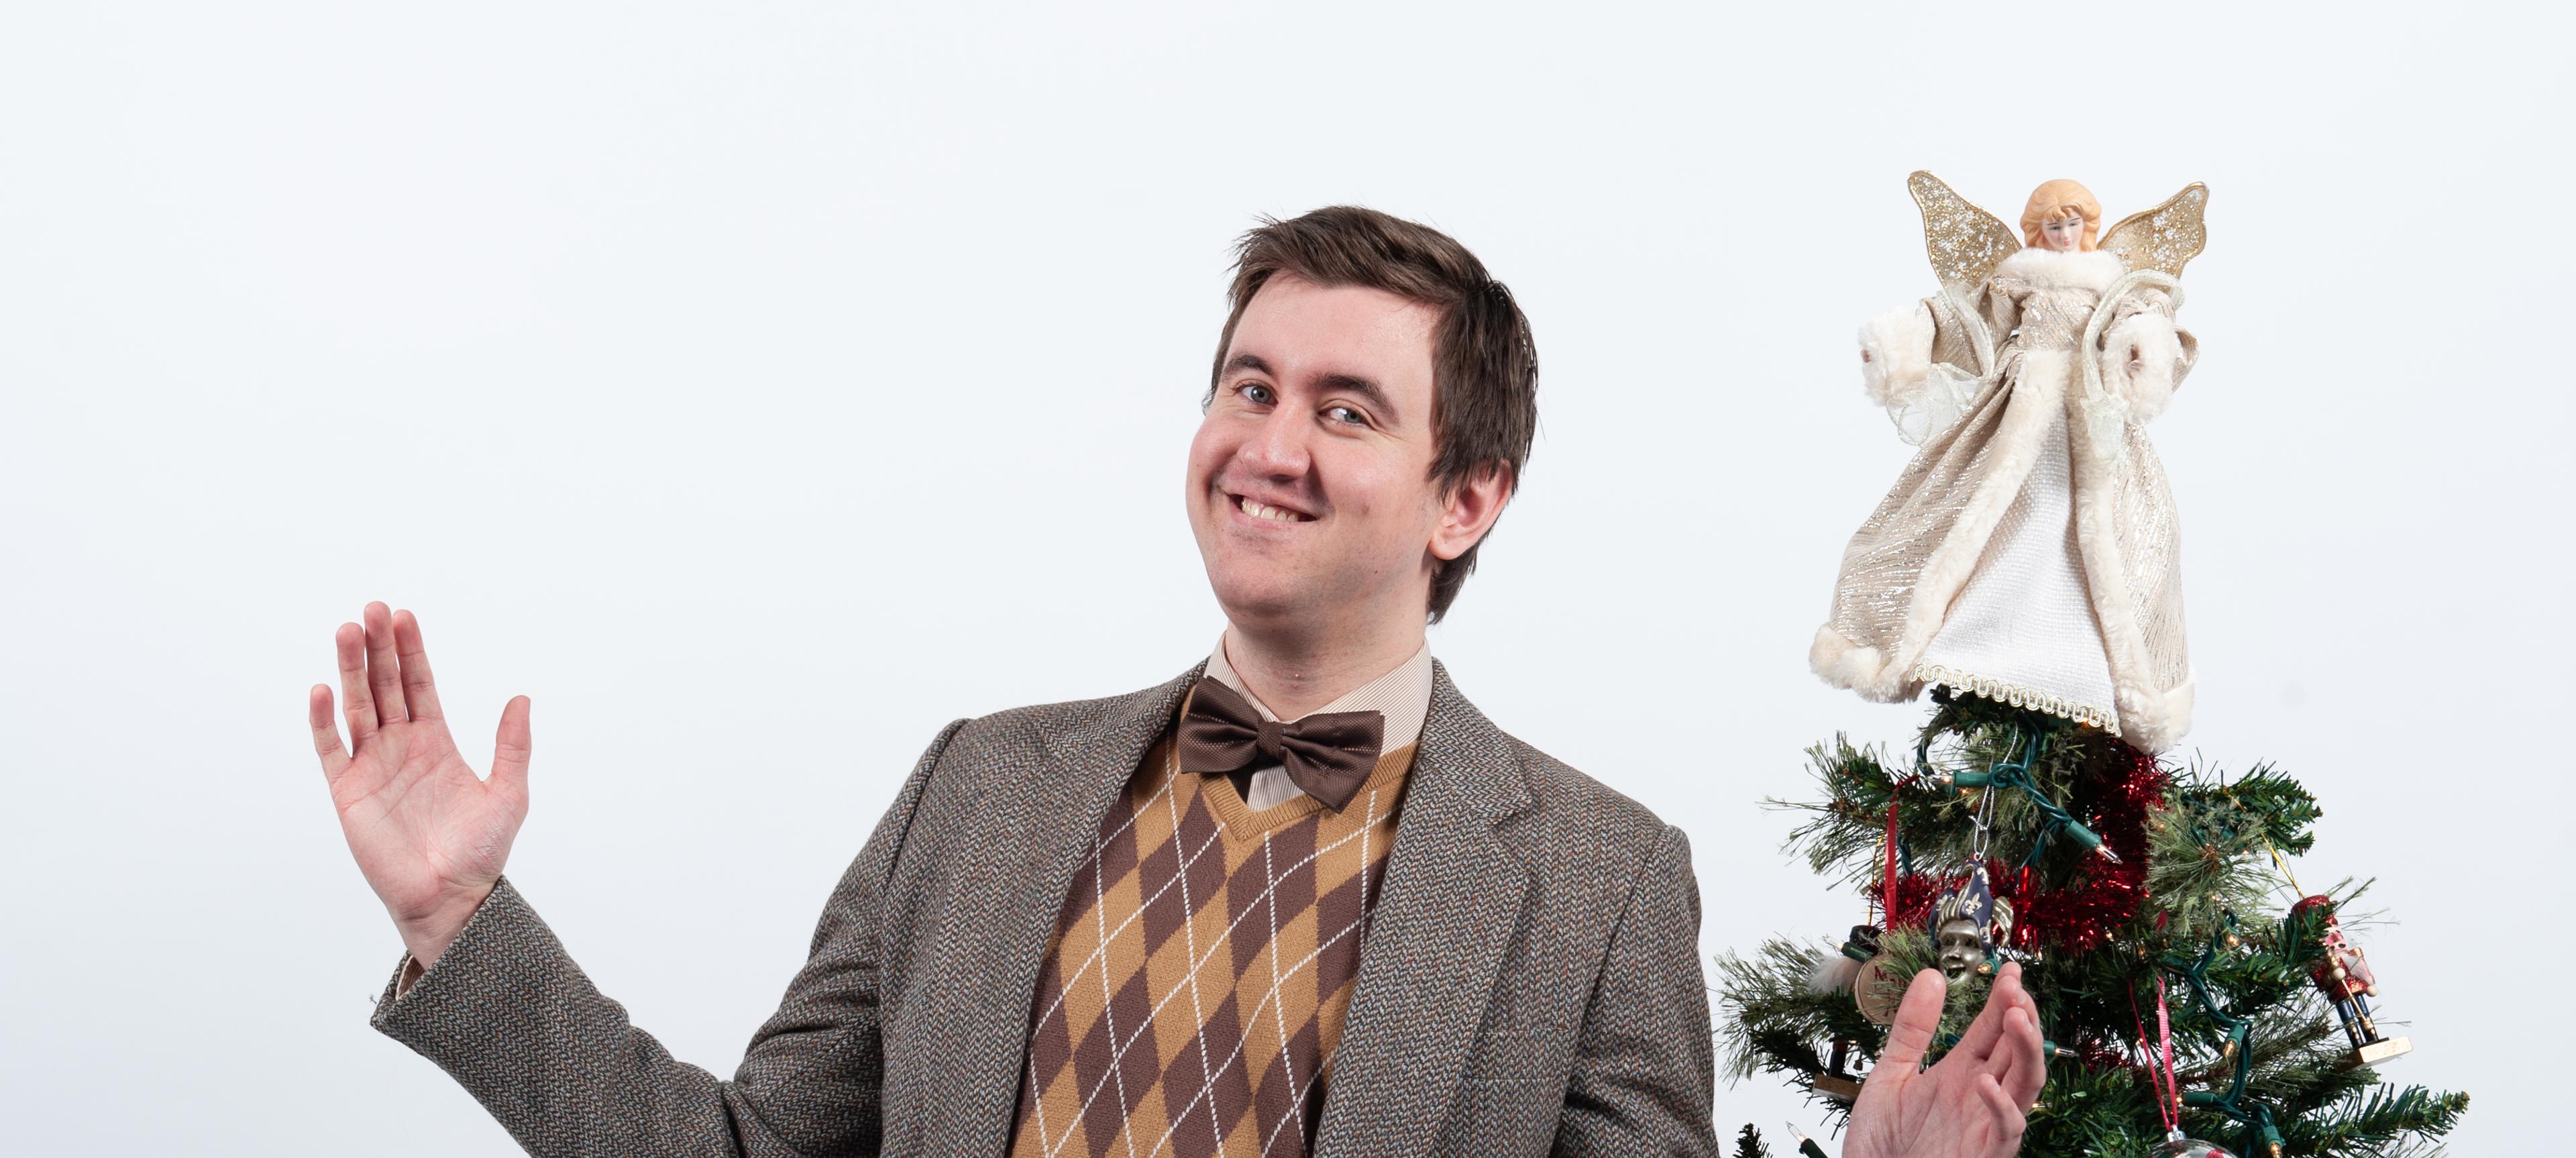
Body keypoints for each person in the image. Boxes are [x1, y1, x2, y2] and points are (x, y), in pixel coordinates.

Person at [308, 206, 2047, 1157]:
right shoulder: (975, 788)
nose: (1268, 446)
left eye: (1345, 408)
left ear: (1469, 494)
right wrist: (469, 927)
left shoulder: (1597, 882)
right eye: (1248, 385)